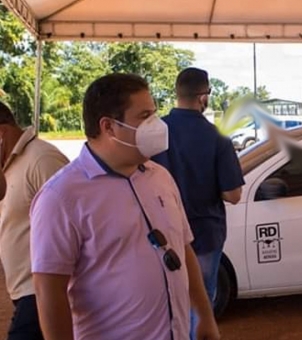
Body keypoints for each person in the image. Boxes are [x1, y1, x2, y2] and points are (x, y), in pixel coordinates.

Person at [29, 74, 220, 340]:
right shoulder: (60, 197)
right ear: (108, 126)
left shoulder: (160, 176)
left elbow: (182, 247)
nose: (156, 124)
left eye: (154, 113)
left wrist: (204, 316)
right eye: (144, 116)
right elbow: (49, 289)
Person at [151, 67, 244, 338]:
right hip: (204, 235)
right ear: (204, 97)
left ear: (177, 94)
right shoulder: (217, 137)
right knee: (199, 305)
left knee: (164, 305)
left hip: (160, 235)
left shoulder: (156, 133)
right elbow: (233, 195)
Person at [0, 101, 69, 340]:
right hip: (21, 290)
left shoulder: (42, 160)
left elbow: (73, 221)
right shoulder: (6, 165)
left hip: (40, 289)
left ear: (2, 132)